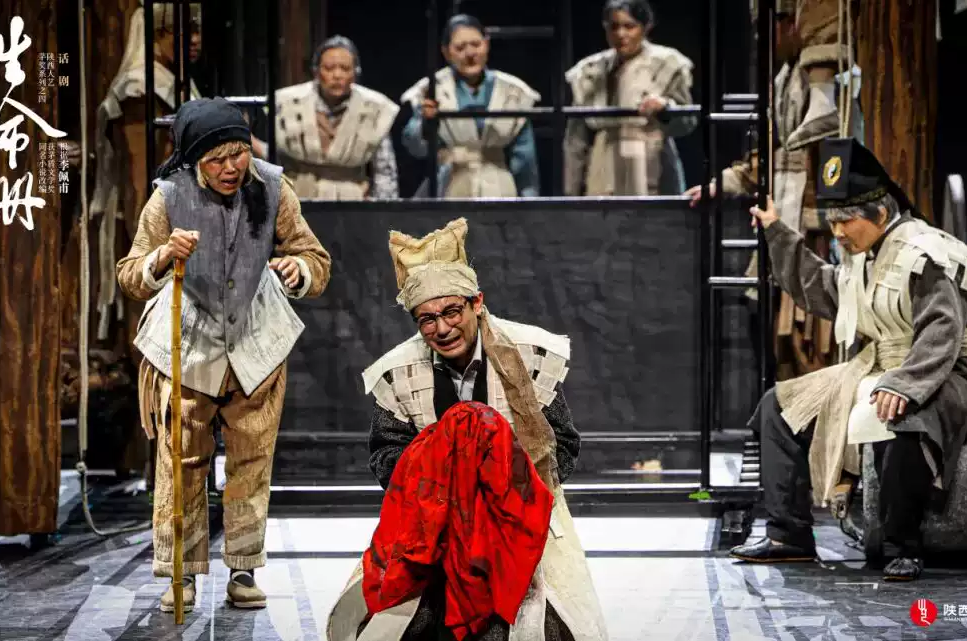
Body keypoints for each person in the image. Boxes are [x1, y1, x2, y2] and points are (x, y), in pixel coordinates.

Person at [729, 137, 967, 582]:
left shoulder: (927, 254)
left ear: (880, 214)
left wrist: (904, 384)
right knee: (778, 408)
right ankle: (789, 535)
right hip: (878, 365)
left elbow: (943, 332)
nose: (838, 233)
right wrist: (777, 232)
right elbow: (825, 290)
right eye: (833, 222)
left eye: (846, 221)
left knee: (901, 417)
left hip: (950, 373)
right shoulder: (863, 253)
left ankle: (902, 546)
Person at [326, 219, 607, 640]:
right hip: (430, 518)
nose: (441, 329)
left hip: (522, 512)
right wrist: (441, 482)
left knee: (544, 622)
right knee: (398, 621)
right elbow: (385, 452)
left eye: (451, 312)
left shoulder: (529, 354)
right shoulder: (399, 371)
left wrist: (507, 493)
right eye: (427, 319)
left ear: (477, 303)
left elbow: (561, 442)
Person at [115, 98, 332, 612]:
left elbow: (314, 257)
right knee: (182, 461)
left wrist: (299, 270)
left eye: (239, 154)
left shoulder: (274, 188)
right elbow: (129, 273)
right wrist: (162, 257)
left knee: (251, 460)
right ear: (195, 160)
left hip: (255, 342)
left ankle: (244, 568)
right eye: (217, 159)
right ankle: (182, 573)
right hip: (189, 344)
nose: (232, 167)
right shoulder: (169, 197)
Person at [686, 0, 863, 380]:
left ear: (792, 24)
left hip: (814, 228)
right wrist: (722, 184)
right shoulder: (783, 80)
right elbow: (769, 156)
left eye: (773, 25)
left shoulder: (834, 79)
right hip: (782, 221)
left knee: (812, 338)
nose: (763, 37)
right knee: (774, 337)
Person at [93, 1, 204, 348]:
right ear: (157, 35)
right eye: (184, 30)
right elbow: (138, 178)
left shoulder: (178, 82)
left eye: (198, 30)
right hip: (156, 219)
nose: (195, 39)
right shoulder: (139, 88)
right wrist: (150, 236)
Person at [564, 0, 698, 197]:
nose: (621, 34)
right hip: (603, 166)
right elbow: (576, 139)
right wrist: (571, 191)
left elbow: (688, 121)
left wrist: (666, 109)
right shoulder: (590, 70)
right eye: (614, 27)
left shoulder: (667, 64)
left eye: (629, 26)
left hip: (650, 160)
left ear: (645, 27)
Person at [401, 15, 541, 198]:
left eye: (476, 44)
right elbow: (414, 146)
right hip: (451, 183)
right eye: (460, 48)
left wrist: (529, 200)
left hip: (499, 186)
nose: (469, 53)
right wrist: (426, 123)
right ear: (446, 52)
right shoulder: (432, 89)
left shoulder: (512, 91)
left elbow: (525, 159)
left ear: (487, 44)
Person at [251, 35, 400, 200]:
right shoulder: (286, 103)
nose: (337, 75)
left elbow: (384, 171)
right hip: (297, 196)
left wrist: (383, 209)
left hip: (352, 201)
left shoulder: (375, 108)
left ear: (355, 73)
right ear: (316, 71)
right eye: (329, 68)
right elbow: (276, 157)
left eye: (345, 68)